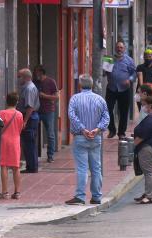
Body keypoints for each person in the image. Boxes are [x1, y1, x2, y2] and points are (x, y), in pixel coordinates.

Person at [65, 74, 110, 205]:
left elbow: (72, 116)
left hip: (80, 136)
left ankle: (80, 195)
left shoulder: (75, 99)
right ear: (92, 85)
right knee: (96, 168)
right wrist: (97, 129)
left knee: (82, 168)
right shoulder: (100, 99)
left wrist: (83, 129)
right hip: (95, 137)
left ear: (80, 85)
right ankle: (96, 196)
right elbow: (106, 117)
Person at [133, 96, 152, 204]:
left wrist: (134, 144)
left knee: (149, 172)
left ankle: (150, 196)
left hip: (148, 147)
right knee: (150, 171)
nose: (143, 106)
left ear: (150, 105)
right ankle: (150, 193)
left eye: (144, 104)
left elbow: (143, 134)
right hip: (150, 146)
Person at [0, 92, 24, 200]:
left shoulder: (2, 113)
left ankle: (5, 192)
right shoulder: (20, 114)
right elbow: (20, 129)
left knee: (4, 166)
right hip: (15, 140)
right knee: (16, 167)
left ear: (7, 101)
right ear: (17, 102)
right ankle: (17, 192)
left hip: (4, 141)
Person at [106, 41, 136, 139]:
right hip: (111, 88)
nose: (119, 49)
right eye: (118, 47)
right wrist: (105, 67)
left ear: (124, 48)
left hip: (124, 89)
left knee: (123, 111)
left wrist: (130, 80)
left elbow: (134, 73)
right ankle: (112, 130)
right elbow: (104, 73)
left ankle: (121, 133)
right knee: (108, 110)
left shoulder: (129, 60)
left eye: (121, 47)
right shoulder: (109, 59)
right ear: (115, 48)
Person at [16, 68, 40, 173]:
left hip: (29, 117)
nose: (18, 79)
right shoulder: (28, 87)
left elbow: (29, 107)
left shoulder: (29, 88)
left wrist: (25, 120)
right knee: (29, 142)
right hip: (30, 117)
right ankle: (31, 165)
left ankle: (32, 167)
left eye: (19, 76)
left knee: (29, 142)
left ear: (25, 77)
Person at [34, 65, 59, 163]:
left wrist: (45, 96)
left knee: (50, 134)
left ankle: (50, 155)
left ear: (41, 72)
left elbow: (56, 97)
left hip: (48, 111)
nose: (35, 74)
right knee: (33, 132)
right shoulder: (35, 82)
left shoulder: (50, 82)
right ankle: (34, 154)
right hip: (36, 111)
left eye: (36, 72)